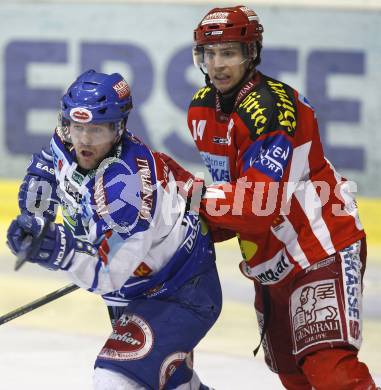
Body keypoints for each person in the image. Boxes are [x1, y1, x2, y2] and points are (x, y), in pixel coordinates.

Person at [161, 5, 379, 390]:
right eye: (208, 54)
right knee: (293, 375)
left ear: (251, 54)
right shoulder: (200, 110)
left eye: (228, 52)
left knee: (331, 372)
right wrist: (175, 232)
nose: (217, 65)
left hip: (321, 245)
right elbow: (232, 204)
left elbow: (255, 206)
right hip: (270, 261)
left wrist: (191, 198)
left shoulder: (271, 109)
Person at [6, 69, 222, 390]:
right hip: (138, 285)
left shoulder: (126, 189)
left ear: (118, 128)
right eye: (77, 127)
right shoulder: (70, 139)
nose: (84, 140)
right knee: (174, 384)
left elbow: (108, 272)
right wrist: (37, 214)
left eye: (97, 130)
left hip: (179, 289)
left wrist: (59, 249)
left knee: (115, 379)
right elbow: (49, 165)